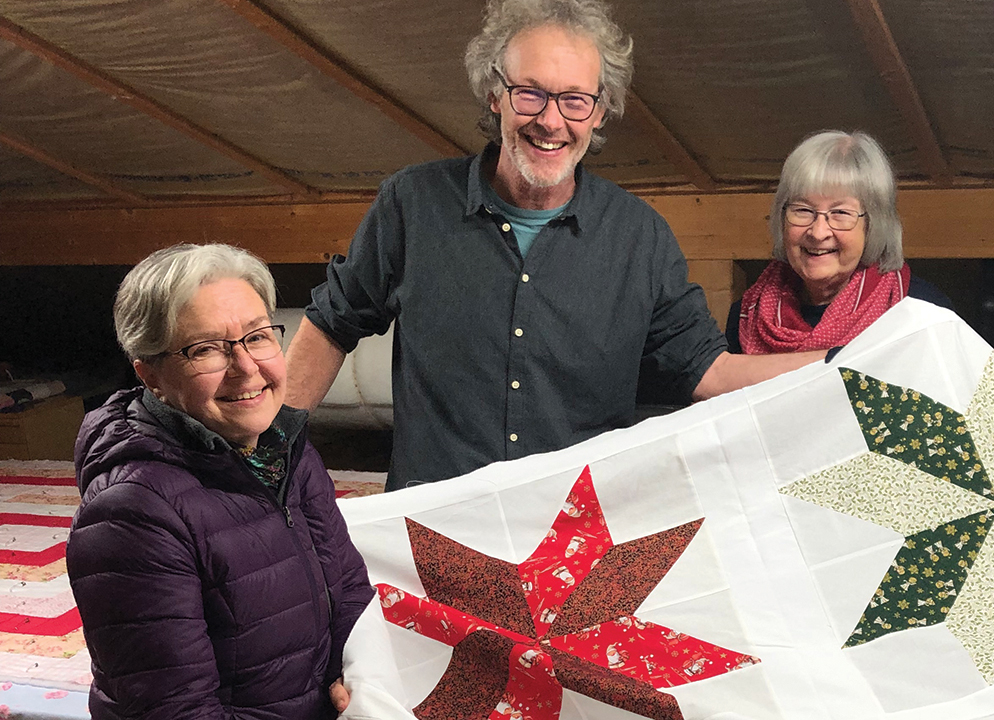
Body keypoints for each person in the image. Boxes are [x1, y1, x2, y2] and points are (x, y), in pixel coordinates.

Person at [286, 0, 822, 491]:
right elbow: (333, 324)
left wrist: (851, 363)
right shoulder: (412, 203)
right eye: (530, 93)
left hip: (575, 540)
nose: (550, 120)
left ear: (600, 110)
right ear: (495, 94)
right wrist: (266, 453)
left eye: (574, 100)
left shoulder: (640, 237)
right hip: (435, 529)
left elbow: (711, 371)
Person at [67, 244, 374, 720]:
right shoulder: (131, 513)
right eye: (206, 349)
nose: (246, 367)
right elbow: (175, 710)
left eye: (258, 336)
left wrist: (359, 681)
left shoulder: (284, 448)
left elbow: (350, 588)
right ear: (151, 376)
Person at [728, 130, 994, 374]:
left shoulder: (920, 311)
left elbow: (969, 403)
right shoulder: (747, 315)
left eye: (841, 213)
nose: (818, 232)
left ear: (874, 224)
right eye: (802, 210)